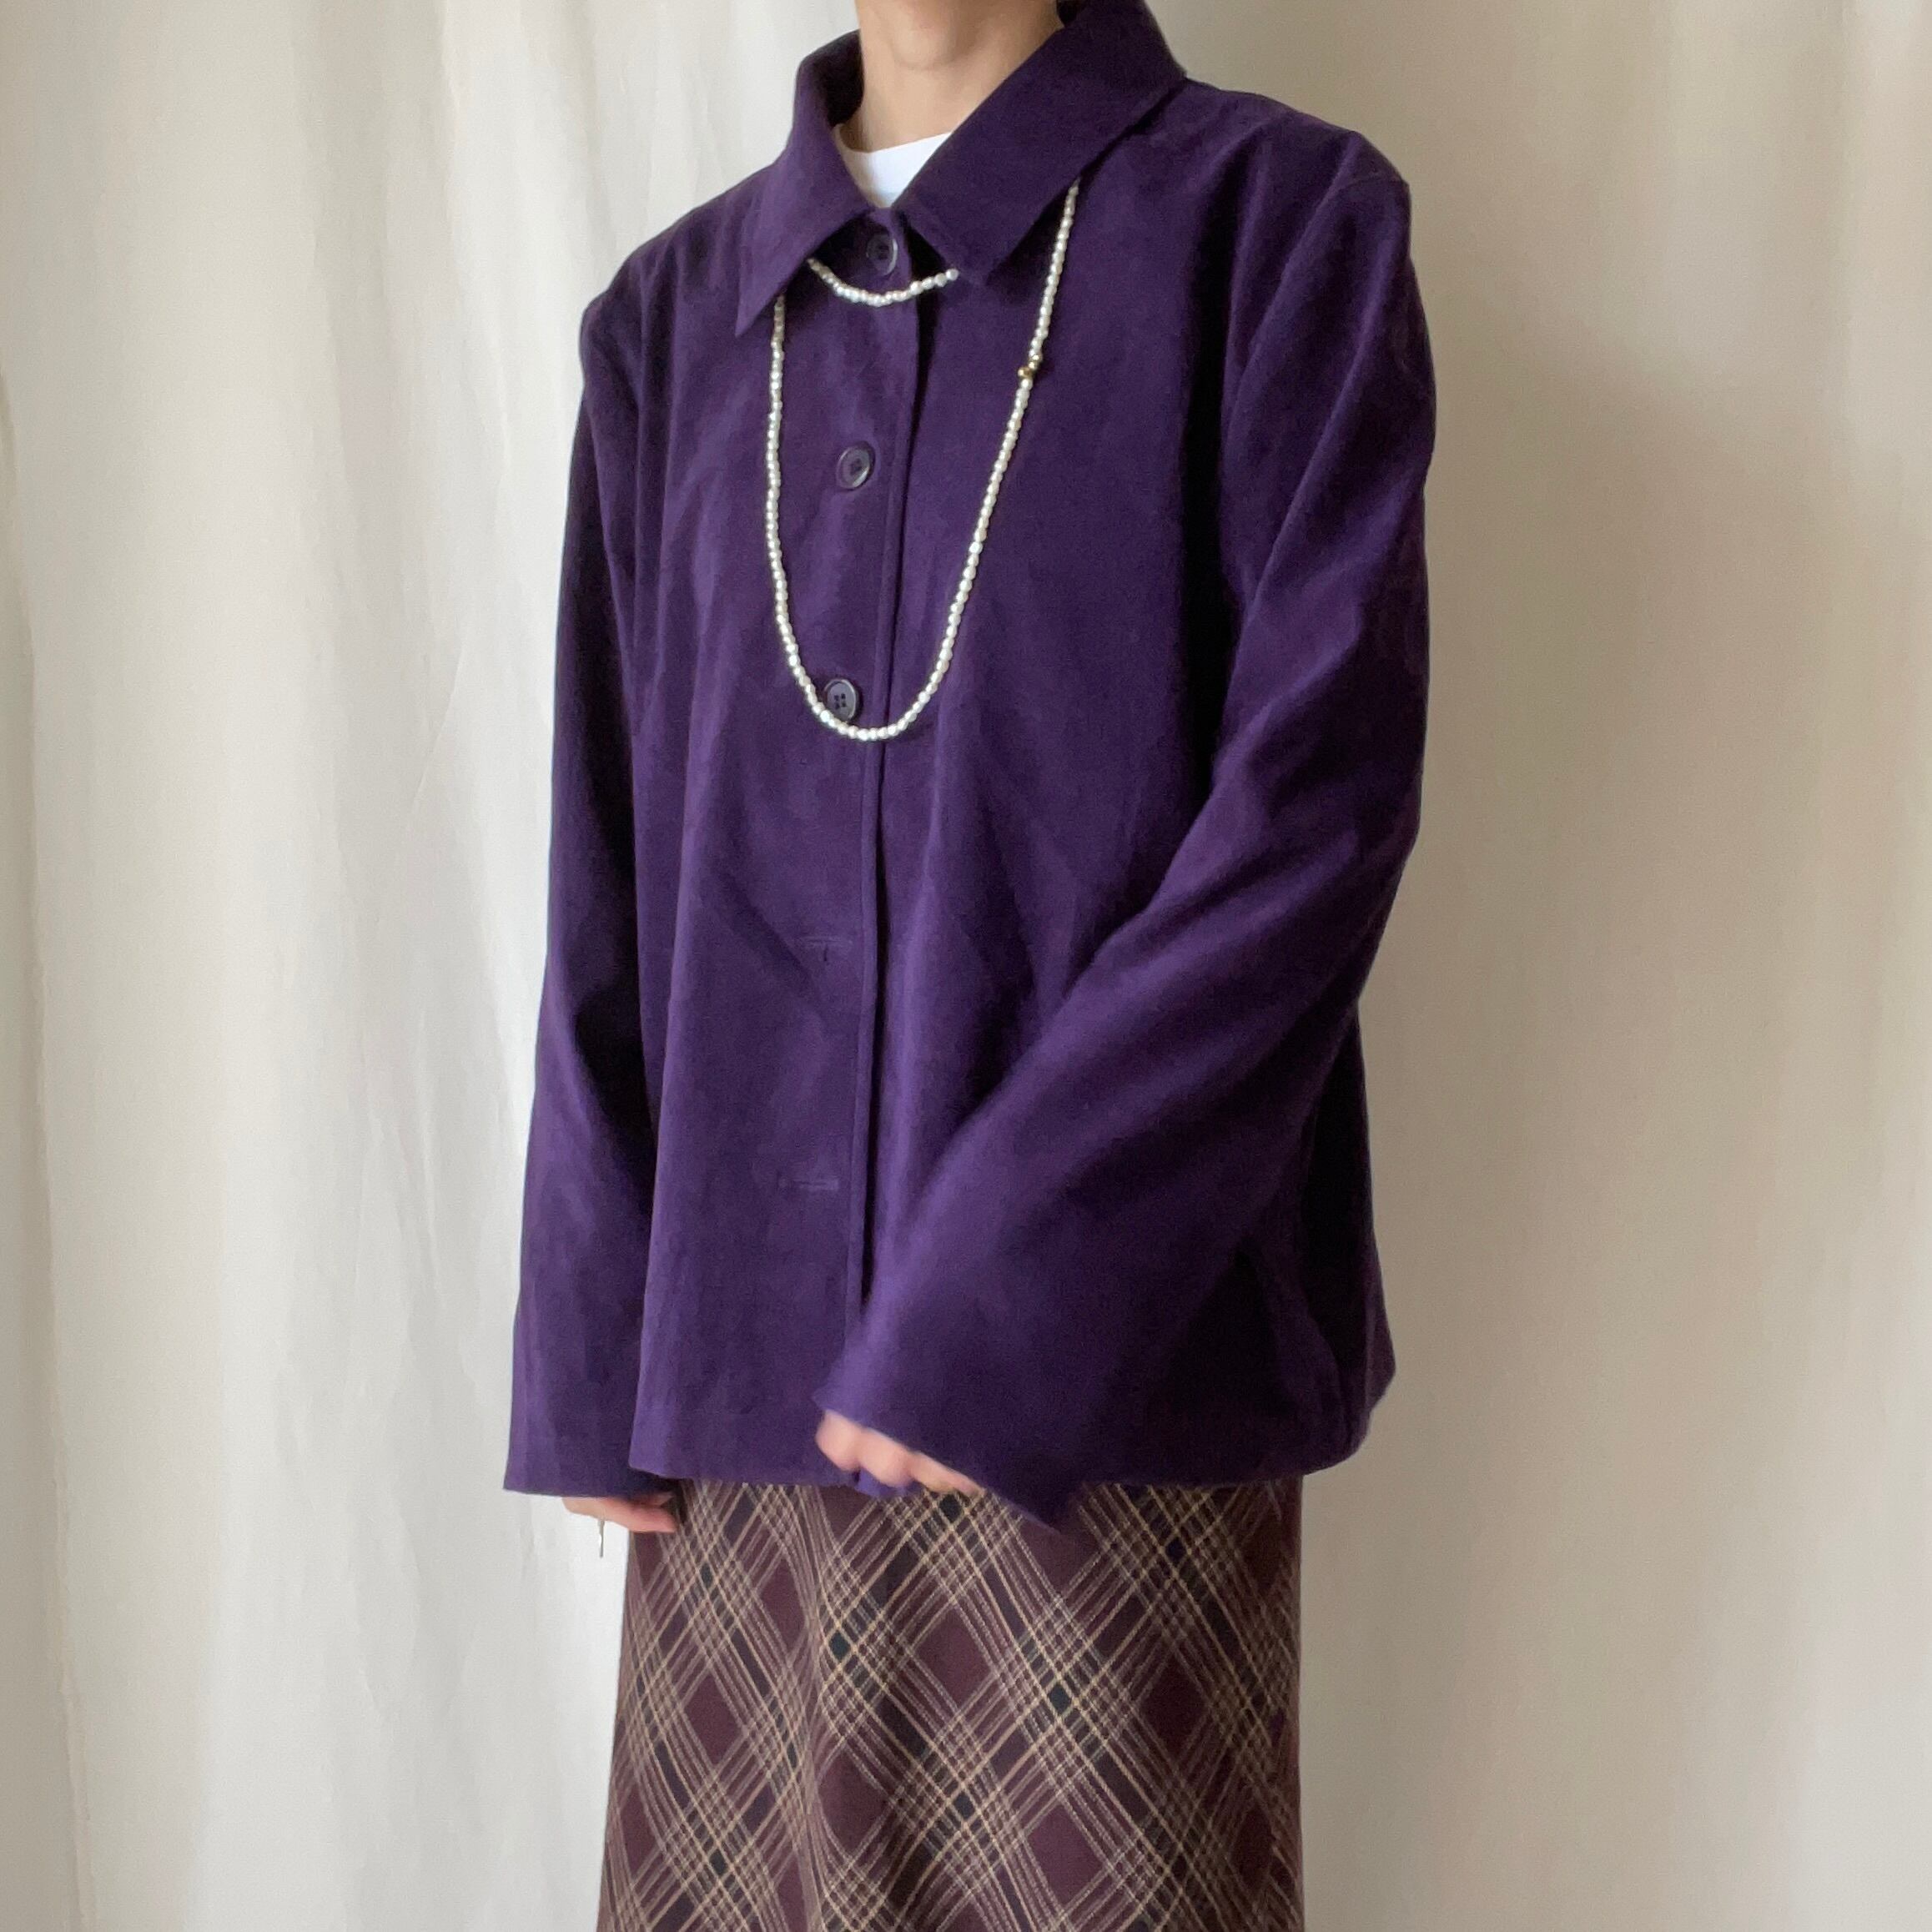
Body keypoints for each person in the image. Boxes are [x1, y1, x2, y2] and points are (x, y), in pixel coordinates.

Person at [504, 0, 1436, 1924]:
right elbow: (611, 857)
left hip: (1110, 1393)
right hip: (742, 1409)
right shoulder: (675, 321)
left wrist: (1015, 1284)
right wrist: (594, 1348)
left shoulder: (1275, 227)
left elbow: (1312, 818)